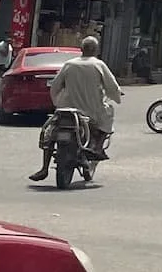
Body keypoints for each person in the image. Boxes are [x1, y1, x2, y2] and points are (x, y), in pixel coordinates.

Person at [31, 37, 123, 181]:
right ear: (96, 50)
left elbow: (55, 86)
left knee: (50, 134)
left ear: (81, 49)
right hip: (91, 112)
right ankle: (98, 147)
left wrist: (57, 102)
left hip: (67, 110)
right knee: (108, 114)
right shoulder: (99, 65)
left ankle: (44, 168)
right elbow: (112, 88)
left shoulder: (69, 65)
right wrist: (117, 97)